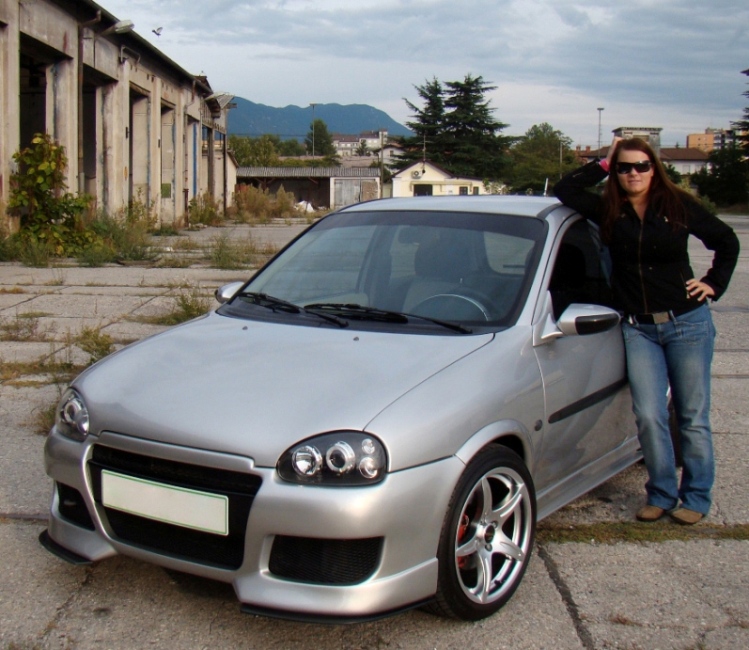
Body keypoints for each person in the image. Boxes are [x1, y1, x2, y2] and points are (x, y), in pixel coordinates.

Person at [554, 136, 739, 525]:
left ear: (654, 168)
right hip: (639, 329)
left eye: (641, 166)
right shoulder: (608, 210)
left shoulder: (677, 206)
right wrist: (603, 163)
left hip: (687, 324)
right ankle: (661, 493)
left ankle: (696, 496)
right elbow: (565, 189)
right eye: (624, 168)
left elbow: (727, 241)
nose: (633, 173)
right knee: (650, 416)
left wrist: (713, 283)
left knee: (691, 416)